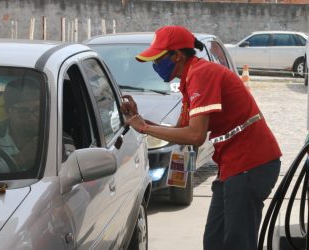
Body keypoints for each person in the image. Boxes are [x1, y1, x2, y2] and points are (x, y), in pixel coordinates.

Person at [121, 26, 282, 250]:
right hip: (233, 165)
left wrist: (145, 129)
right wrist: (142, 121)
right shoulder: (191, 78)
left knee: (238, 242)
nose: (154, 65)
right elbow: (181, 131)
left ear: (176, 55)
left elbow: (195, 136)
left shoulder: (201, 74)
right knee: (214, 241)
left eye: (158, 59)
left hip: (251, 164)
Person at [0, 78, 40, 169]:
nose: (33, 118)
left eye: (38, 109)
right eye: (23, 111)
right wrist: (20, 160)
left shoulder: (52, 134)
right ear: (8, 111)